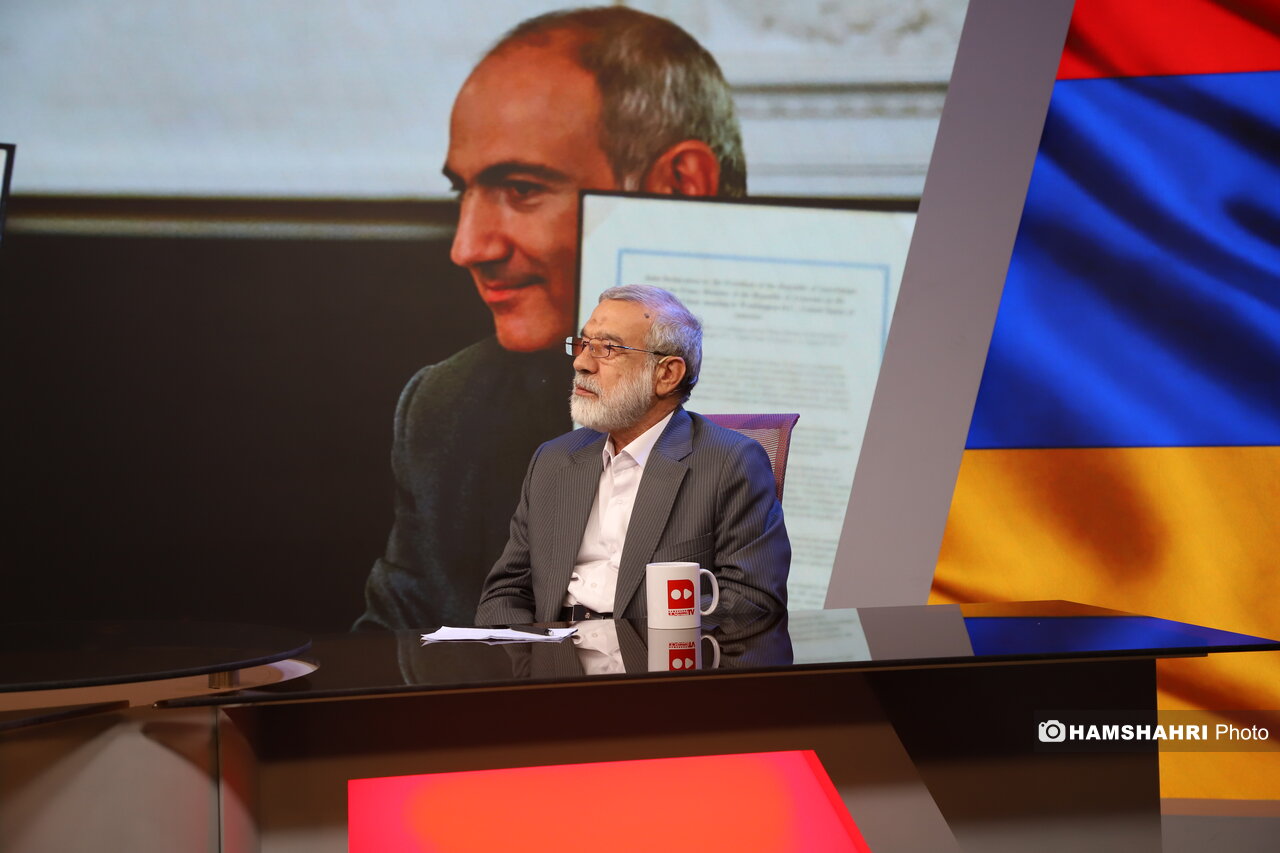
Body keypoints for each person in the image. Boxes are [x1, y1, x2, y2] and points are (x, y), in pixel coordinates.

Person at [355, 7, 746, 630]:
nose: (468, 247)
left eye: (521, 189)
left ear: (678, 187)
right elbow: (398, 654)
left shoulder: (877, 395)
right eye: (463, 191)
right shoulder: (450, 411)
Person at [475, 285, 789, 626]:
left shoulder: (730, 463)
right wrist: (524, 651)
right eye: (583, 344)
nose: (581, 363)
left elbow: (751, 605)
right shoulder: (555, 459)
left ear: (667, 374)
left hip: (654, 652)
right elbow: (508, 591)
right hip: (553, 652)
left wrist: (626, 644)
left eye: (607, 349)